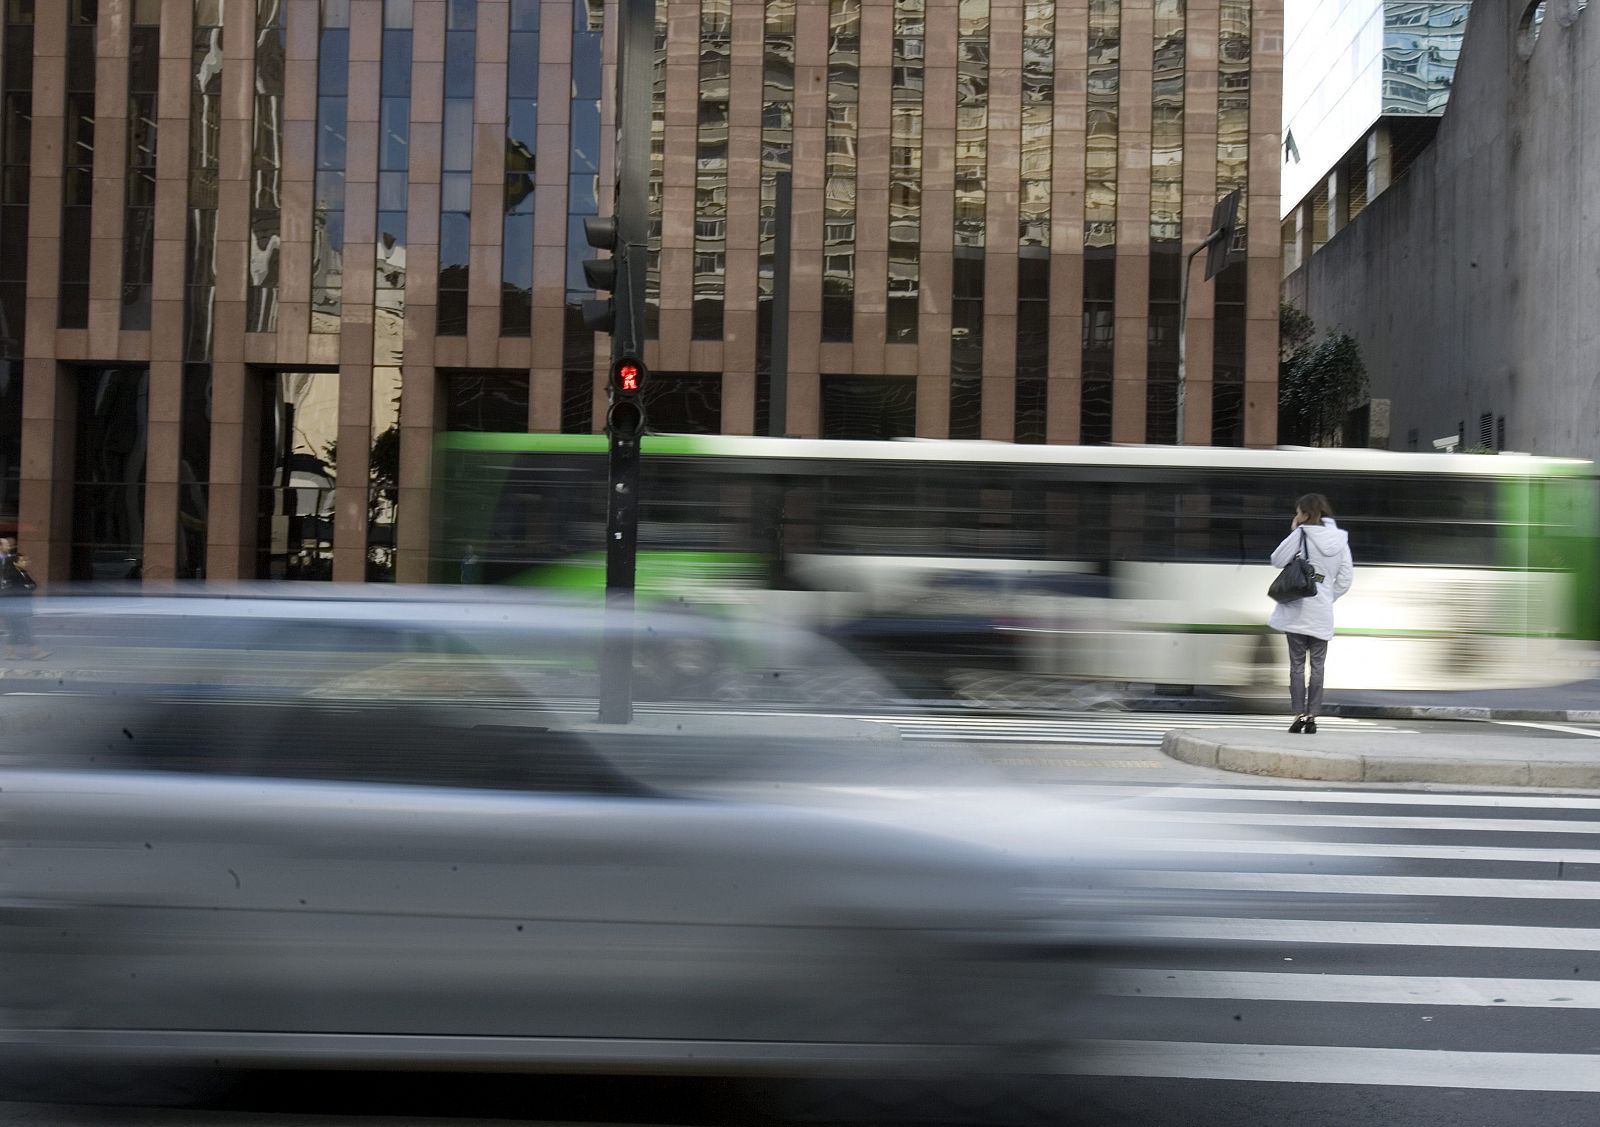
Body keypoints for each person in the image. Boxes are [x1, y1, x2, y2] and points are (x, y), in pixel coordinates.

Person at [1269, 493, 1353, 734]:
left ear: (1306, 514)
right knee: (1318, 666)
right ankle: (1313, 717)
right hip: (1322, 613)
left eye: (1298, 512)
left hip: (1297, 610)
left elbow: (1276, 560)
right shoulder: (1340, 540)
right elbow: (1345, 578)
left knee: (1297, 665)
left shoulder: (1301, 534)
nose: (1296, 517)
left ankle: (1298, 716)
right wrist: (1327, 595)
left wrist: (1294, 530)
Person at [1, 548, 46, 660]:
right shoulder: (11, 575)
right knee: (24, 629)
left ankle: (9, 653)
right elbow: (17, 590)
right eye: (22, 560)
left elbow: (33, 585)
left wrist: (27, 587)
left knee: (17, 631)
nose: (25, 562)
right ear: (15, 562)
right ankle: (36, 652)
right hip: (14, 608)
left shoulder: (23, 572)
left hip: (22, 607)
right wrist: (27, 587)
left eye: (25, 560)